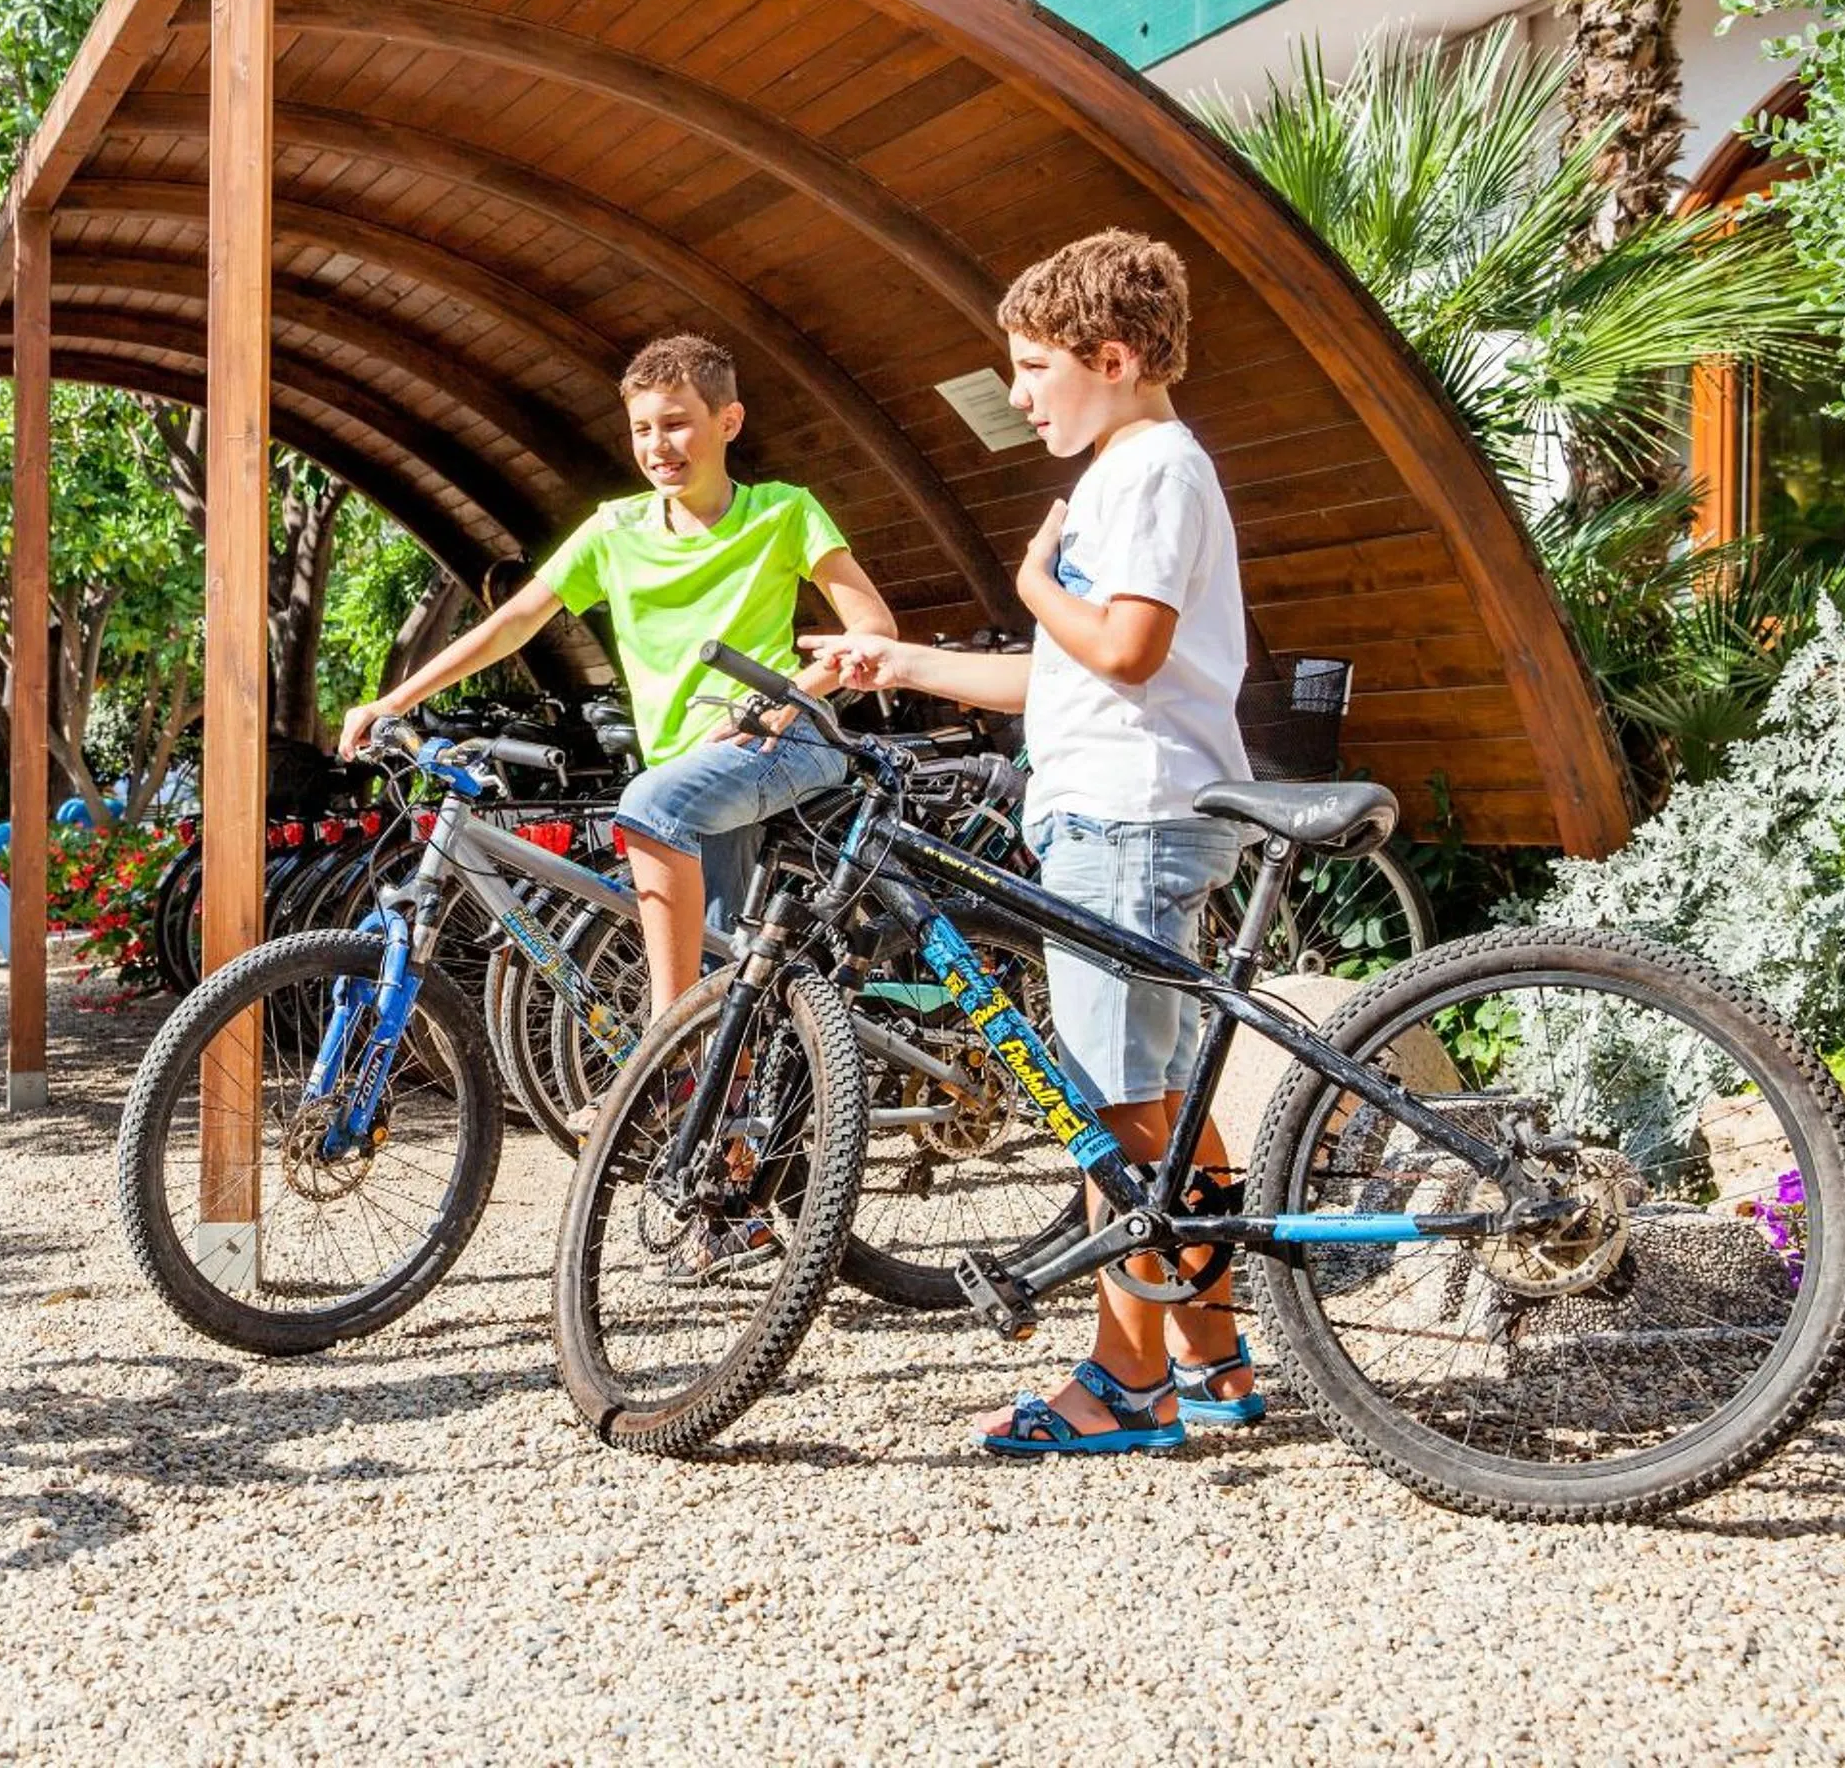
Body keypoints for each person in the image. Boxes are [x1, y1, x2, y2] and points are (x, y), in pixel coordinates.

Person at [802, 229, 1260, 1454]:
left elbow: (1121, 648)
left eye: (1031, 366)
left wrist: (1031, 579)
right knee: (1156, 1099)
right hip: (1121, 801)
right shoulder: (1132, 465)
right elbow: (1064, 682)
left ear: (1109, 357)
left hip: (1126, 816)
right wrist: (893, 661)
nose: (1016, 395)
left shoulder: (1152, 467)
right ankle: (1212, 1350)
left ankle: (1126, 1383)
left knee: (1111, 1112)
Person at [340, 332, 895, 1276]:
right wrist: (398, 698)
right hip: (690, 782)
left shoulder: (784, 513)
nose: (660, 446)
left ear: (729, 422)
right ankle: (734, 1208)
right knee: (732, 982)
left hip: (787, 747)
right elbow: (517, 620)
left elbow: (873, 629)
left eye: (678, 424)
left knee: (649, 812)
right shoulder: (614, 530)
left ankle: (658, 1050)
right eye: (643, 430)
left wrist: (783, 697)